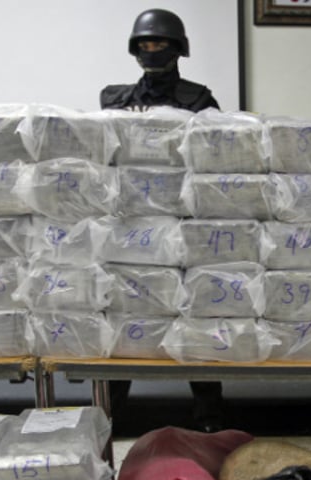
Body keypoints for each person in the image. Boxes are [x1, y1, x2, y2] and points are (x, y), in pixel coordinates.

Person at [100, 8, 224, 432]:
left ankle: (208, 415)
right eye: (145, 44)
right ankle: (108, 415)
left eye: (160, 44)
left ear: (178, 49)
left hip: (181, 220)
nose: (152, 51)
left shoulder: (199, 100)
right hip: (131, 222)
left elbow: (214, 159)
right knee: (123, 319)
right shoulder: (113, 100)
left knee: (194, 316)